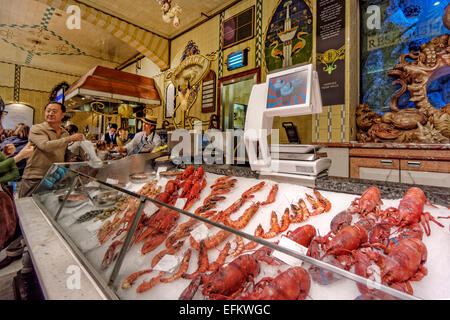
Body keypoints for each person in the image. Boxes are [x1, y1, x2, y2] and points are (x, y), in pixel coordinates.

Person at [19, 101, 84, 198]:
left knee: (48, 207)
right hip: (35, 177)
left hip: (54, 177)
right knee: (28, 207)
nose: (50, 114)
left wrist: (75, 159)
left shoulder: (64, 133)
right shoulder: (37, 129)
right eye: (48, 111)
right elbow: (45, 146)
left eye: (54, 111)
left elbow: (63, 151)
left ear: (62, 115)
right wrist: (69, 139)